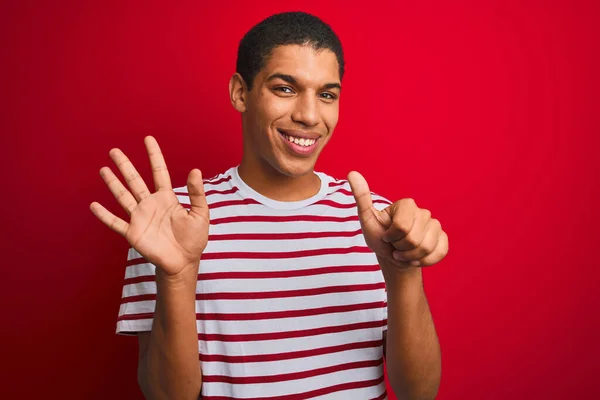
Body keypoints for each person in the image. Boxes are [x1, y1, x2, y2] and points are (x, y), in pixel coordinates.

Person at [90, 11, 449, 400]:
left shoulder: (377, 223)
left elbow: (420, 393)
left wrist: (402, 273)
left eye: (327, 95)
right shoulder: (169, 222)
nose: (310, 116)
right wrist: (176, 278)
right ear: (240, 93)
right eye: (285, 88)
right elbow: (165, 395)